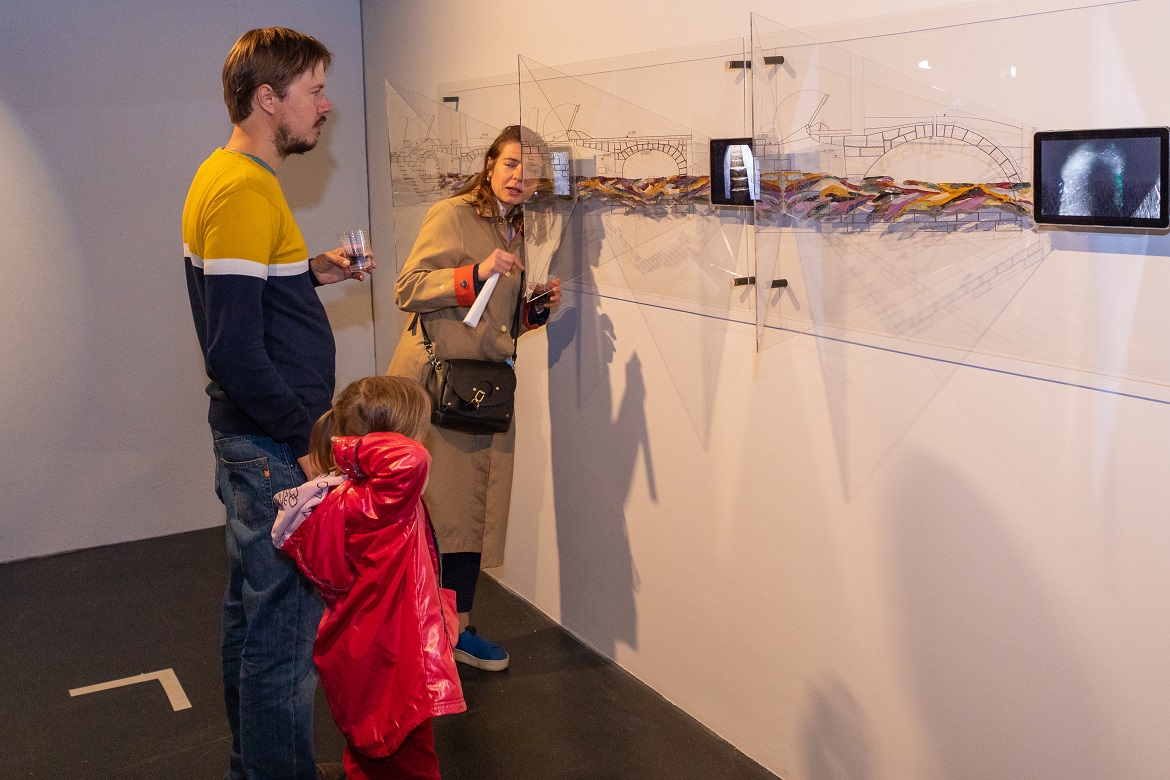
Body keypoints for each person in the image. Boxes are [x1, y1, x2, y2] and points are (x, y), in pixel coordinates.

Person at [182, 27, 371, 780]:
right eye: (314, 90)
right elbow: (232, 349)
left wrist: (312, 272)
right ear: (269, 99)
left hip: (255, 444)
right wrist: (304, 444)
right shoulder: (242, 188)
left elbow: (247, 296)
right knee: (284, 641)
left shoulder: (230, 176)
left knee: (254, 621)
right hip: (271, 451)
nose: (325, 105)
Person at [387, 125, 561, 671]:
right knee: (435, 514)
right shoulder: (453, 214)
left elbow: (500, 321)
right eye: (511, 163)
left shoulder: (523, 229)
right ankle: (423, 631)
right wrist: (475, 272)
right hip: (436, 387)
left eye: (531, 171)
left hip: (482, 391)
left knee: (471, 518)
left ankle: (454, 629)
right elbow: (407, 288)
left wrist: (537, 309)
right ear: (490, 164)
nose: (519, 177)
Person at [272, 376, 466, 780]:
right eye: (417, 431)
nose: (423, 442)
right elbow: (412, 459)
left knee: (369, 755)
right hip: (395, 663)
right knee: (410, 764)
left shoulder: (345, 497)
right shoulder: (381, 503)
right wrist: (348, 449)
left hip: (366, 653)